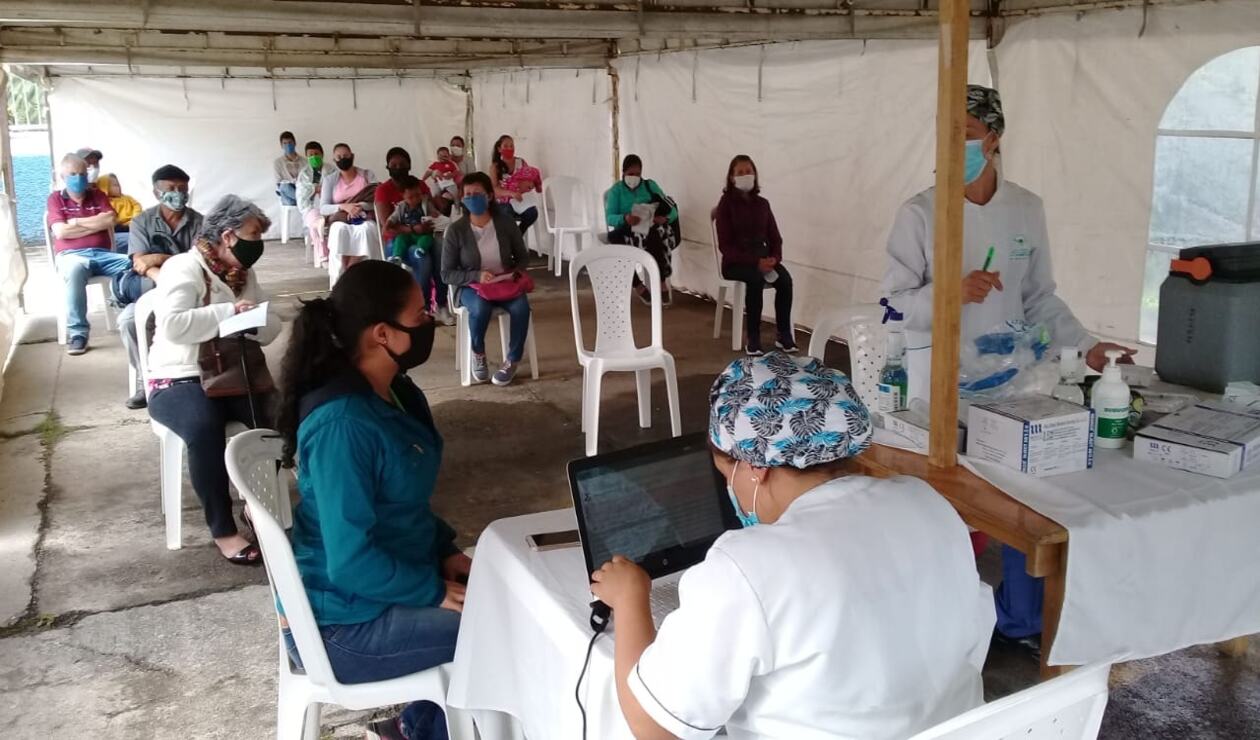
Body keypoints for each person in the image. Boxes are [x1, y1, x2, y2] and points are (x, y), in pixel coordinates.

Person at [591, 353, 995, 740]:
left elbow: (653, 727)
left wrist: (630, 600)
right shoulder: (925, 502)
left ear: (755, 468)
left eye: (724, 475)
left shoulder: (747, 565)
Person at [882, 84, 1136, 653]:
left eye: (966, 137)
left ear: (993, 139)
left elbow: (1041, 298)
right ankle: (937, 619)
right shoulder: (921, 212)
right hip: (941, 382)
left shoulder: (1026, 208)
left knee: (1022, 496)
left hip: (1015, 381)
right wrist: (950, 291)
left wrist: (1090, 348)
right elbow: (893, 303)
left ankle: (1020, 617)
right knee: (945, 501)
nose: (954, 149)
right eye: (947, 138)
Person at [277, 260, 469, 740]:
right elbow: (350, 562)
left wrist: (444, 549)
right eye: (420, 314)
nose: (429, 321)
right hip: (343, 625)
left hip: (382, 588)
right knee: (507, 627)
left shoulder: (395, 392)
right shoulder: (343, 425)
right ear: (383, 333)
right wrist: (432, 592)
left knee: (513, 593)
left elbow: (401, 503)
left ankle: (413, 729)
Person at [146, 195, 280, 565]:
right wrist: (228, 312)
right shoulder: (183, 268)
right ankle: (223, 531)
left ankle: (259, 506)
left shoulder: (243, 274)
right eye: (254, 234)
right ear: (228, 236)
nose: (259, 244)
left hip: (231, 373)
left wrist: (255, 320)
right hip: (178, 377)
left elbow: (271, 325)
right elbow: (172, 325)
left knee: (277, 415)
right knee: (203, 428)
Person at [118, 164, 203, 410]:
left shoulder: (200, 222)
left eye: (183, 189)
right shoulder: (142, 222)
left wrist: (159, 258)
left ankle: (196, 374)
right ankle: (148, 380)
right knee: (129, 322)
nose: (179, 194)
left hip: (190, 285)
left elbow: (198, 261)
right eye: (172, 188)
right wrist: (165, 277)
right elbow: (140, 263)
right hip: (155, 286)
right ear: (157, 192)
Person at [441, 172, 531, 387]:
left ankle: (512, 359)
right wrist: (476, 276)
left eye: (477, 194)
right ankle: (478, 352)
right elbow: (447, 273)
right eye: (468, 194)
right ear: (462, 199)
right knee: (480, 309)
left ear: (490, 196)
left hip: (504, 282)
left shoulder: (506, 224)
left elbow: (523, 257)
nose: (472, 198)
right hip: (472, 286)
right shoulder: (456, 230)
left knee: (521, 308)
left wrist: (515, 272)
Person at [45, 153, 129, 356]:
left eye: (82, 173)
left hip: (104, 254)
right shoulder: (56, 199)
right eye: (73, 174)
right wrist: (93, 223)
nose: (79, 178)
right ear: (63, 176)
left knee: (136, 263)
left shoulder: (98, 195)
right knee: (74, 270)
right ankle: (78, 333)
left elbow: (109, 220)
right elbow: (61, 232)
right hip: (71, 256)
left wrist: (74, 222)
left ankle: (135, 319)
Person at [714, 155, 796, 356]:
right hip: (736, 262)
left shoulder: (763, 204)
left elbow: (775, 238)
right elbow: (725, 246)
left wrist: (774, 259)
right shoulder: (726, 205)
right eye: (740, 172)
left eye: (748, 171)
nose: (745, 175)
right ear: (732, 178)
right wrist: (754, 262)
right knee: (754, 279)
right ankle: (753, 336)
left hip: (764, 258)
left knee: (785, 280)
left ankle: (783, 333)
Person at [375, 148, 452, 325]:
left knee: (442, 249)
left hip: (425, 235)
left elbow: (432, 209)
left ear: (409, 165)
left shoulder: (420, 185)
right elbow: (389, 228)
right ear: (387, 167)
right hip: (397, 241)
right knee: (423, 258)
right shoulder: (383, 190)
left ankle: (441, 304)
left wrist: (440, 203)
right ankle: (421, 308)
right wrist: (413, 229)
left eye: (402, 164)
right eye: (393, 165)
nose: (398, 168)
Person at [605, 154, 680, 304]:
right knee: (614, 241)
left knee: (653, 234)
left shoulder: (650, 186)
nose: (634, 178)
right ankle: (638, 285)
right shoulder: (616, 191)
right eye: (630, 174)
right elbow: (609, 217)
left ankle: (661, 281)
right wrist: (625, 218)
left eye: (638, 174)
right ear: (623, 173)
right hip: (629, 229)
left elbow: (672, 209)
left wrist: (664, 218)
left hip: (651, 227)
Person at [320, 142, 381, 283]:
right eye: (339, 157)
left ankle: (366, 276)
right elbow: (323, 207)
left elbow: (376, 199)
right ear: (334, 160)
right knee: (339, 231)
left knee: (367, 230)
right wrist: (344, 207)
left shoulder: (367, 175)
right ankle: (340, 279)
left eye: (346, 156)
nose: (343, 159)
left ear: (352, 156)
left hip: (364, 217)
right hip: (341, 219)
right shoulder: (330, 180)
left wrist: (360, 206)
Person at [297, 140, 338, 268]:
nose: (313, 157)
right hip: (311, 208)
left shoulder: (331, 170)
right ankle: (323, 255)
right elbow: (301, 194)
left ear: (322, 154)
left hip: (329, 206)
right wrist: (315, 189)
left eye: (316, 154)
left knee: (336, 223)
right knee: (316, 223)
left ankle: (335, 252)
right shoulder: (304, 174)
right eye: (310, 155)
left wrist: (322, 189)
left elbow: (337, 188)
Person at [490, 134, 542, 235]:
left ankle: (516, 238)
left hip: (520, 201)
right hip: (503, 202)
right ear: (499, 149)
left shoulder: (521, 162)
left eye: (511, 146)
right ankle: (513, 242)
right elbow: (495, 189)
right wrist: (511, 193)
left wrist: (529, 185)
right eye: (506, 146)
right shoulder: (495, 167)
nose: (509, 148)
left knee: (532, 213)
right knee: (506, 213)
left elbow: (530, 181)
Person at [274, 131, 302, 206]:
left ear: (294, 143)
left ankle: (300, 201)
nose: (288, 145)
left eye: (290, 142)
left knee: (291, 202)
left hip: (301, 189)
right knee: (284, 187)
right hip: (287, 190)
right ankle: (301, 201)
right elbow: (279, 182)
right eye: (285, 143)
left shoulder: (304, 161)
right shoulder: (278, 162)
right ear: (281, 146)